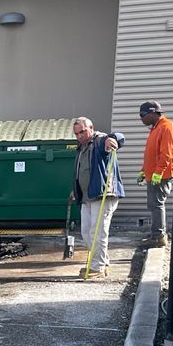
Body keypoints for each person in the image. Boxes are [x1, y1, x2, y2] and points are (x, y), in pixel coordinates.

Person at [72, 117, 124, 279]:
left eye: (82, 131)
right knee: (86, 232)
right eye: (76, 133)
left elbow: (117, 138)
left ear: (91, 128)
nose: (80, 136)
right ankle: (103, 262)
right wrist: (75, 190)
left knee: (97, 232)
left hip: (103, 195)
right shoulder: (81, 148)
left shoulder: (99, 140)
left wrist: (113, 139)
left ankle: (97, 267)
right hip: (87, 196)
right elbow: (81, 172)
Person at [137, 100, 173, 248]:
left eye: (143, 115)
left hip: (161, 175)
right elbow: (151, 154)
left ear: (153, 112)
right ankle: (157, 235)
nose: (141, 118)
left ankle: (159, 237)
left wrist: (158, 173)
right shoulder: (155, 128)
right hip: (153, 174)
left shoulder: (167, 127)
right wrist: (144, 170)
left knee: (157, 205)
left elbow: (166, 154)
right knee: (154, 205)